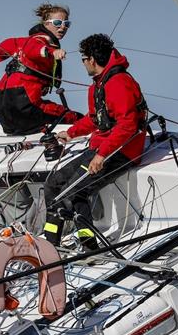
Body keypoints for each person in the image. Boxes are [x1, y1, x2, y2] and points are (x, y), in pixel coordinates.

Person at [42, 33, 148, 246]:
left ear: (91, 59)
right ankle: (50, 243)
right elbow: (95, 120)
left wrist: (101, 155)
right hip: (103, 147)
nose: (82, 64)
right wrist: (71, 133)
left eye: (83, 59)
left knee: (75, 191)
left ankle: (89, 246)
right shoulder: (98, 85)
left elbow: (127, 125)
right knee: (53, 184)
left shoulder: (119, 83)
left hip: (121, 151)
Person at [0, 3, 82, 135]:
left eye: (66, 24)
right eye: (57, 22)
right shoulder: (40, 41)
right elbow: (33, 49)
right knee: (75, 118)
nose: (63, 27)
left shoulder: (23, 41)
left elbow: (5, 45)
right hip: (24, 104)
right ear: (46, 23)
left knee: (41, 117)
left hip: (1, 107)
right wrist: (51, 52)